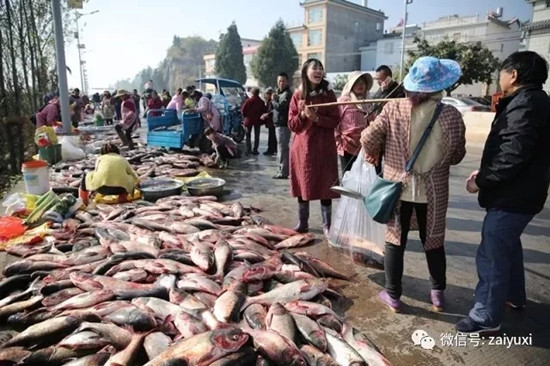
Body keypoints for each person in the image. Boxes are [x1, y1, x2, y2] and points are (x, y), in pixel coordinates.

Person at [361, 56, 466, 313]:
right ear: (440, 85)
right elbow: (457, 155)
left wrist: (375, 151)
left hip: (398, 189)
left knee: (395, 241)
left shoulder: (394, 108)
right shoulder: (451, 114)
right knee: (434, 241)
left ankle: (394, 296)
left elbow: (367, 138)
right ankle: (438, 294)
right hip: (434, 192)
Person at [455, 51, 550, 334]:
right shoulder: (533, 101)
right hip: (523, 192)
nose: (500, 78)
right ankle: (514, 296)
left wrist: (482, 181)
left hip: (514, 195)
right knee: (508, 245)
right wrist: (484, 173)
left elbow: (511, 155)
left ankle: (485, 316)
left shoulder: (525, 105)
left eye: (502, 73)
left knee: (493, 254)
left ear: (514, 75)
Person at [288, 58, 340, 237]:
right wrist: (303, 114)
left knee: (326, 185)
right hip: (303, 148)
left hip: (324, 146)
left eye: (320, 68)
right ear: (305, 72)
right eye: (314, 68)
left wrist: (317, 118)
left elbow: (335, 120)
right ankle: (303, 222)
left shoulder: (328, 93)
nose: (318, 71)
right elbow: (292, 125)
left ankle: (327, 225)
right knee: (304, 184)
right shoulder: (298, 94)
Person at [335, 71, 374, 173]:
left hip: (364, 147)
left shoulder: (368, 103)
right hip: (346, 146)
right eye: (357, 82)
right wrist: (339, 140)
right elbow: (335, 122)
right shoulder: (343, 101)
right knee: (348, 177)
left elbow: (373, 123)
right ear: (351, 85)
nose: (361, 85)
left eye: (363, 82)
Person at [272, 72, 293, 179]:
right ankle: (281, 169)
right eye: (279, 81)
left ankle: (284, 171)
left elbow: (281, 107)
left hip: (283, 125)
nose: (281, 83)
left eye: (283, 81)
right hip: (279, 124)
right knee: (280, 148)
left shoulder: (287, 94)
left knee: (283, 148)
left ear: (287, 81)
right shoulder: (280, 93)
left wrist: (273, 100)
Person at [241, 88, 266, 155]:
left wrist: (245, 116)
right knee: (257, 135)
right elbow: (264, 111)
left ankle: (248, 149)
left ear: (252, 93)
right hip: (258, 120)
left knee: (248, 135)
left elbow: (243, 110)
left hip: (249, 120)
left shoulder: (248, 101)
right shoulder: (261, 102)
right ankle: (255, 150)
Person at [261, 88, 277, 156]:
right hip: (270, 121)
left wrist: (266, 114)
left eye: (267, 94)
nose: (265, 96)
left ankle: (271, 150)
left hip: (272, 121)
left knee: (272, 136)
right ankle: (273, 149)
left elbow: (272, 111)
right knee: (272, 136)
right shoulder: (268, 102)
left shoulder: (272, 102)